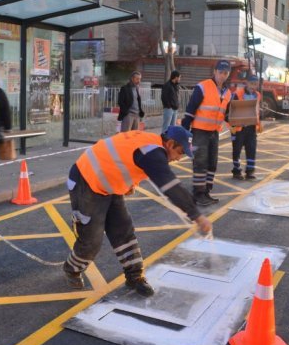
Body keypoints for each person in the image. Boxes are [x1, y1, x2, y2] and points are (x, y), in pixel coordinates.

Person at [63, 126, 212, 297]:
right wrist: (197, 216)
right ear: (170, 144)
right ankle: (72, 269)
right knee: (91, 239)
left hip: (109, 185)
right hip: (86, 181)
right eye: (180, 152)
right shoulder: (153, 153)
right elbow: (170, 186)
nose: (179, 159)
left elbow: (124, 158)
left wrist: (130, 184)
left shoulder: (151, 144)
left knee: (123, 231)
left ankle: (134, 277)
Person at [182, 59, 232, 206]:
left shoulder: (228, 93)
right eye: (220, 72)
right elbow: (190, 110)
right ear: (214, 72)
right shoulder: (203, 87)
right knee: (200, 162)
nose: (223, 75)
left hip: (214, 132)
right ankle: (198, 193)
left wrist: (237, 120)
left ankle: (206, 191)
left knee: (212, 163)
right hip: (200, 132)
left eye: (226, 73)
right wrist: (184, 130)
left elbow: (227, 114)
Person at [231, 84, 261, 180]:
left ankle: (250, 172)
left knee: (251, 149)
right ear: (247, 83)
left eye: (255, 84)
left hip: (251, 127)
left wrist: (259, 122)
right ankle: (237, 171)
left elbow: (257, 110)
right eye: (251, 84)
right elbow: (231, 109)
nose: (253, 86)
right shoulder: (237, 94)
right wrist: (232, 125)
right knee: (237, 150)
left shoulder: (257, 95)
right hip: (239, 128)